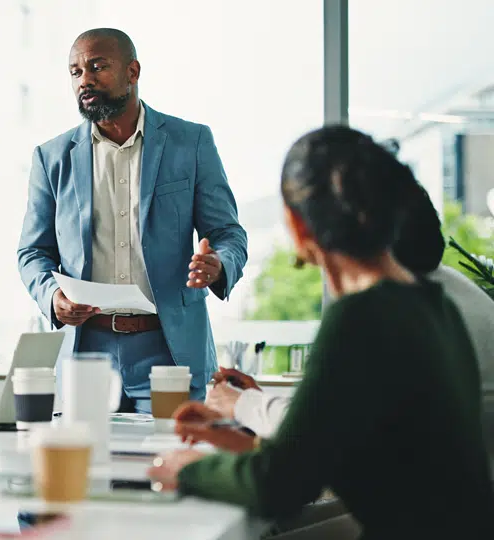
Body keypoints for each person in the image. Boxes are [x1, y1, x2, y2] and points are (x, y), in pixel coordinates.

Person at [147, 125, 494, 538]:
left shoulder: (362, 316)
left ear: (298, 227)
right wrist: (247, 446)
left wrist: (186, 469)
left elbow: (279, 486)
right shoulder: (434, 304)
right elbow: (367, 456)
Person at [17, 28, 247, 411]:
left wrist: (219, 263)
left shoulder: (190, 142)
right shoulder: (51, 157)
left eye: (98, 67)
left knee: (171, 464)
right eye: (75, 72)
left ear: (132, 71)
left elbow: (227, 233)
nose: (85, 79)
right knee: (86, 467)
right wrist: (51, 295)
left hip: (169, 351)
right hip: (86, 352)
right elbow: (32, 251)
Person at [200, 180, 494, 442]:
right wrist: (257, 403)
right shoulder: (457, 293)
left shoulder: (390, 312)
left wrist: (241, 405)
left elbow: (322, 436)